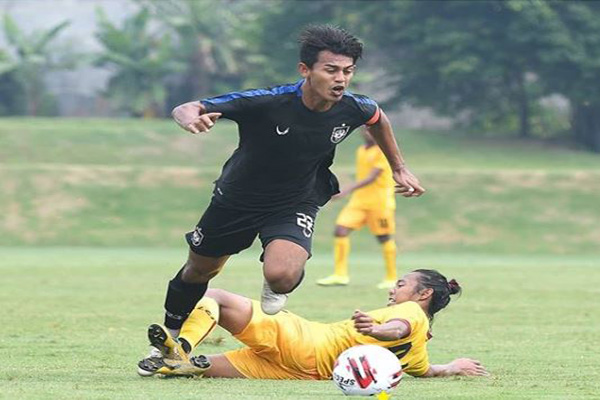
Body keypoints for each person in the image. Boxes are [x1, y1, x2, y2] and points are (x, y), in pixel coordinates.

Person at [159, 24, 425, 349]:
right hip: (236, 200)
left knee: (281, 275)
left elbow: (378, 118)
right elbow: (188, 107)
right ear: (305, 69)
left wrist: (399, 168)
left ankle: (277, 284)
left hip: (296, 200)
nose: (340, 79)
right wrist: (189, 118)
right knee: (199, 271)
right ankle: (170, 337)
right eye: (331, 70)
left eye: (348, 71)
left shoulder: (355, 107)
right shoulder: (268, 102)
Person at [138, 269, 488, 380]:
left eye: (402, 283)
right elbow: (422, 370)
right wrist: (452, 367)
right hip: (305, 372)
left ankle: (182, 346)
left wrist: (374, 329)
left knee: (215, 294)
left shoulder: (412, 312)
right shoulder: (420, 344)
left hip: (306, 341)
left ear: (423, 293)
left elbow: (396, 329)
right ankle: (177, 361)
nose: (395, 288)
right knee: (192, 373)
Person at [317, 128, 398, 289]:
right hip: (359, 202)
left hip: (379, 203)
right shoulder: (361, 150)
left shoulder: (382, 150)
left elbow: (371, 177)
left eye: (372, 130)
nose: (368, 133)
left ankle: (391, 277)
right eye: (365, 130)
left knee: (384, 238)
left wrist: (344, 190)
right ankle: (340, 275)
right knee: (340, 230)